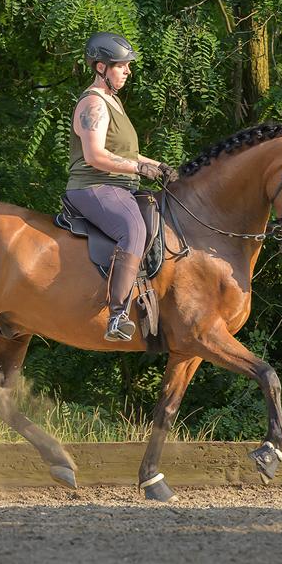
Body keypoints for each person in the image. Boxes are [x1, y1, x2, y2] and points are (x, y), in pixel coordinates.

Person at [66, 32, 179, 341]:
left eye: (128, 65)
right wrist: (138, 168)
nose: (128, 70)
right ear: (101, 67)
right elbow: (95, 155)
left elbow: (127, 153)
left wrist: (156, 166)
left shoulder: (113, 103)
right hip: (93, 187)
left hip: (119, 187)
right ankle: (116, 316)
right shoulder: (94, 104)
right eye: (122, 65)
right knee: (134, 227)